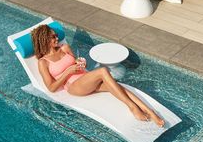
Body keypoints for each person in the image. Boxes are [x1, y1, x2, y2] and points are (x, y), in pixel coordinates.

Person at [31, 25, 165, 127]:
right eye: (53, 37)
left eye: (56, 36)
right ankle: (133, 107)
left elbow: (76, 61)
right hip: (74, 87)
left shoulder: (64, 48)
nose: (57, 38)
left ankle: (151, 112)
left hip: (86, 78)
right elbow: (51, 87)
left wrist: (79, 62)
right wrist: (68, 72)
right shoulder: (43, 62)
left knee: (118, 87)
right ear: (44, 40)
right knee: (103, 71)